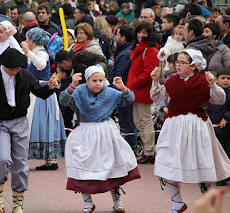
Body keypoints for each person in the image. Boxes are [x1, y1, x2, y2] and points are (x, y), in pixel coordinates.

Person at [0, 48, 58, 213]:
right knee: (2, 159)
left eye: (18, 68)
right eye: (12, 68)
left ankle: (17, 203)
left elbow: (40, 92)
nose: (15, 71)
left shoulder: (25, 75)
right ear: (3, 65)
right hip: (1, 124)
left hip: (21, 122)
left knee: (20, 163)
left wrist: (50, 87)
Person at [150, 49, 230, 213]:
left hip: (196, 126)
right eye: (177, 62)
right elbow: (156, 96)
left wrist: (213, 84)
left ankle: (211, 207)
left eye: (182, 62)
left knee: (201, 166)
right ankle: (177, 204)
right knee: (167, 164)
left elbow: (220, 99)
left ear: (194, 65)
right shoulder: (172, 80)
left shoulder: (203, 81)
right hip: (173, 127)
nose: (178, 65)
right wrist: (155, 81)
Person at [59, 66, 141, 213]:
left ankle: (117, 202)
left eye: (101, 80)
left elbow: (129, 99)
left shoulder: (110, 92)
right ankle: (88, 203)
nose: (98, 83)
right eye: (94, 80)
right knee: (83, 168)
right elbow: (64, 100)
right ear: (87, 80)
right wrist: (72, 86)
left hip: (106, 133)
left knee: (111, 167)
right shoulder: (79, 92)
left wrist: (123, 88)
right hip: (85, 133)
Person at [21, 27, 66, 170]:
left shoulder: (41, 53)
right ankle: (49, 159)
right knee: (42, 123)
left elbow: (41, 65)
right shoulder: (37, 52)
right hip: (39, 92)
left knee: (39, 122)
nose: (26, 40)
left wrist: (28, 53)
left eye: (28, 38)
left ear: (33, 40)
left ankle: (49, 159)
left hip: (42, 93)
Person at [125, 22, 160, 164]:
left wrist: (133, 84)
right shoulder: (141, 49)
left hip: (142, 91)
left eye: (144, 33)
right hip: (136, 90)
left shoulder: (150, 50)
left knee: (144, 122)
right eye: (139, 32)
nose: (141, 35)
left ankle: (149, 152)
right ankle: (148, 150)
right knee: (139, 122)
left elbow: (148, 73)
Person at [207, 67, 230, 186]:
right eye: (223, 78)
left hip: (227, 129)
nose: (226, 80)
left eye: (228, 78)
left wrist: (226, 117)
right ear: (216, 80)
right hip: (213, 127)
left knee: (224, 152)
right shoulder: (213, 92)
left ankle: (224, 176)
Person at [109, 24, 137, 152]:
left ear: (123, 38)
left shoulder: (125, 53)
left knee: (126, 122)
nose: (116, 37)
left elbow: (120, 75)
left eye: (118, 34)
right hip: (121, 91)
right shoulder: (124, 51)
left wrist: (113, 87)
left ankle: (130, 149)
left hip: (121, 92)